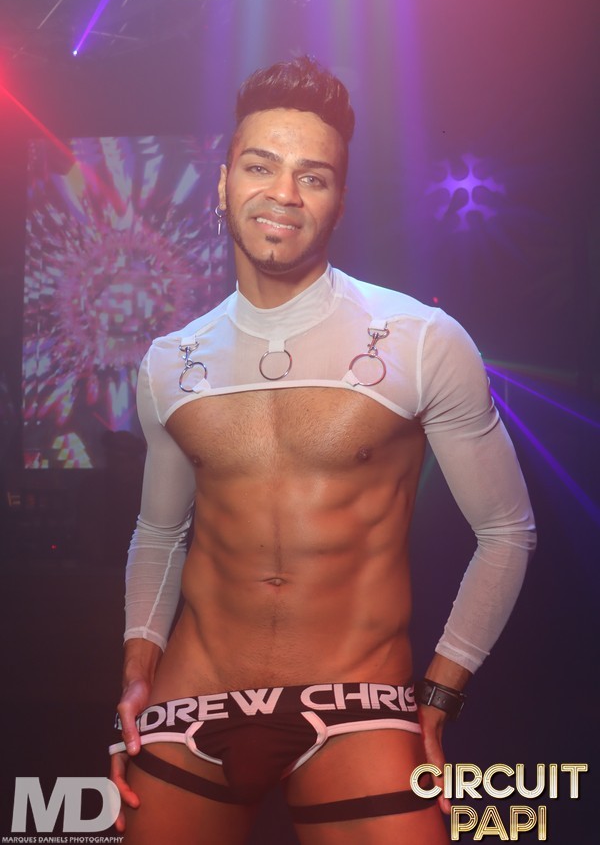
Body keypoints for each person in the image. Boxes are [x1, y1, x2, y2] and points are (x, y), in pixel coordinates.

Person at [109, 56, 536, 844]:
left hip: (357, 707)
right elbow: (160, 533)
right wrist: (139, 669)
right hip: (191, 702)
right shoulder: (170, 361)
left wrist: (440, 693)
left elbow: (506, 531)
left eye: (313, 177)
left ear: (339, 201)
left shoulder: (420, 341)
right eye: (259, 166)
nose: (283, 194)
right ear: (223, 183)